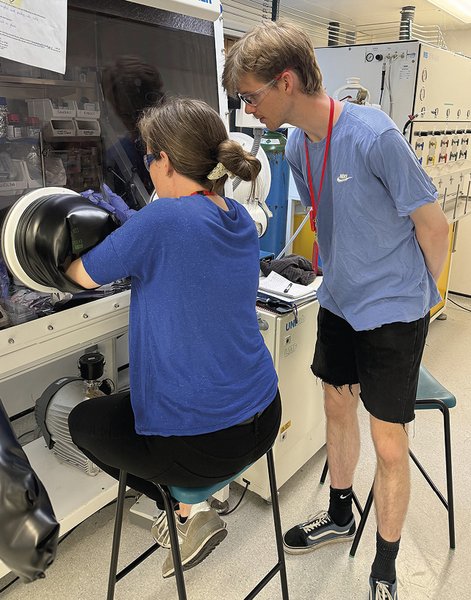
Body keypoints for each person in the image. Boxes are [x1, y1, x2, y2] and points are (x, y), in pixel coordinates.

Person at [222, 20, 449, 600]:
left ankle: (385, 568)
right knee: (336, 407)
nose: (248, 109)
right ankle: (341, 515)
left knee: (389, 443)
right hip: (341, 301)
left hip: (393, 312)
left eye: (250, 96)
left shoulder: (374, 136)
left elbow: (434, 226)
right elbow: (328, 216)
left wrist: (421, 298)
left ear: (286, 81)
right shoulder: (300, 145)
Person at [64, 97, 281, 578]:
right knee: (144, 401)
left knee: (84, 422)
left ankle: (182, 508)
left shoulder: (162, 220)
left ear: (163, 160)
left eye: (148, 157)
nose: (146, 168)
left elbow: (81, 274)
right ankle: (191, 511)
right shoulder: (239, 218)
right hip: (263, 417)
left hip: (204, 448)